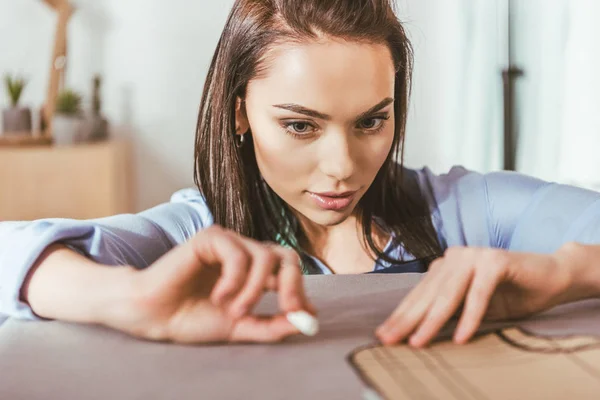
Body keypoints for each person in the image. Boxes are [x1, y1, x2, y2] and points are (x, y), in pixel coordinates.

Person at [2, 0, 600, 346]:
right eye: (300, 126)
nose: (341, 168)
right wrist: (127, 295)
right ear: (239, 111)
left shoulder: (466, 212)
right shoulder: (196, 237)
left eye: (371, 122)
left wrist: (563, 273)